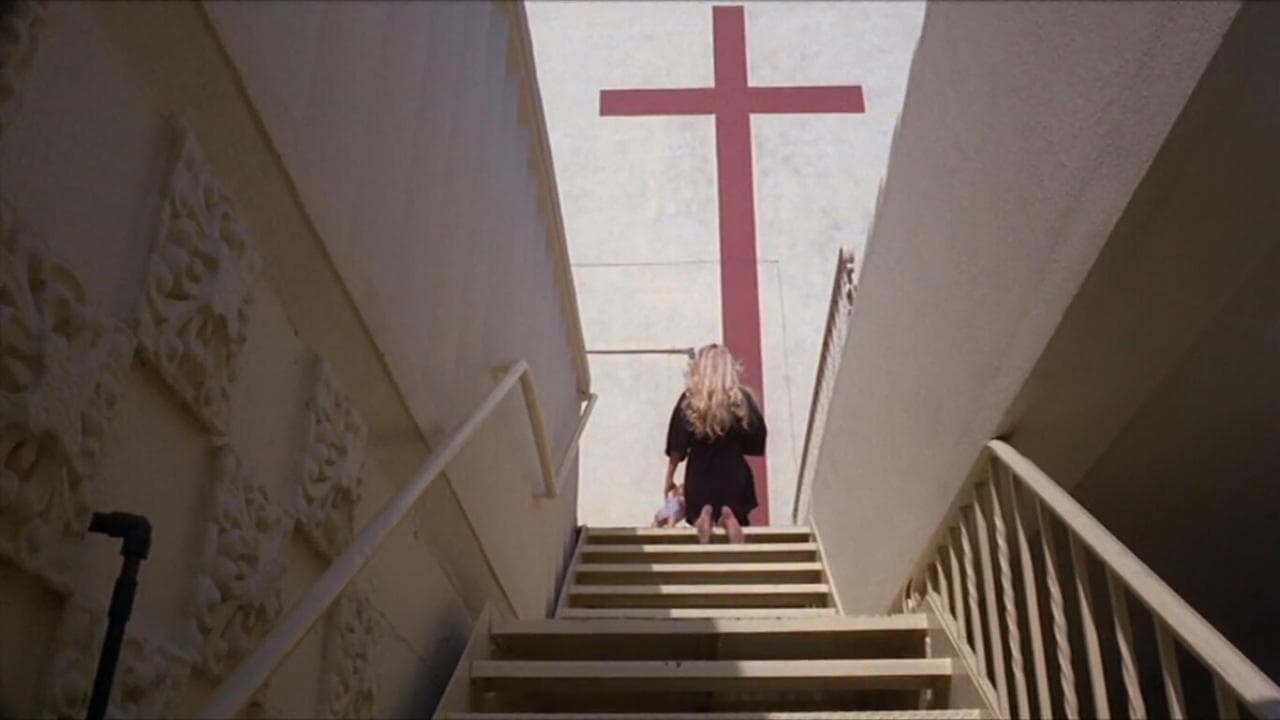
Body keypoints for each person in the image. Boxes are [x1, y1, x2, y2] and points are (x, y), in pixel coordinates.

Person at [663, 344, 767, 544]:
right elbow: (756, 440)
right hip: (733, 471)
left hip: (699, 473)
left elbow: (677, 443)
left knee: (698, 506)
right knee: (736, 508)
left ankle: (704, 515)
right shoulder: (742, 399)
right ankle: (729, 517)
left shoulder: (690, 399)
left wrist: (669, 477)